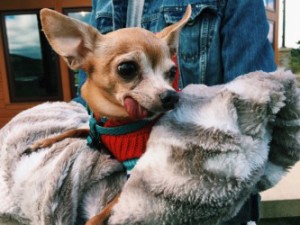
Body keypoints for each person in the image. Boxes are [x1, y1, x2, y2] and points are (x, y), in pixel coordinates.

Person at [73, 0, 276, 224]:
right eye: (128, 70)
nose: (164, 89)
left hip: (205, 197)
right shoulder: (104, 3)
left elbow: (254, 107)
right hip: (107, 188)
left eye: (169, 74)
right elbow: (88, 100)